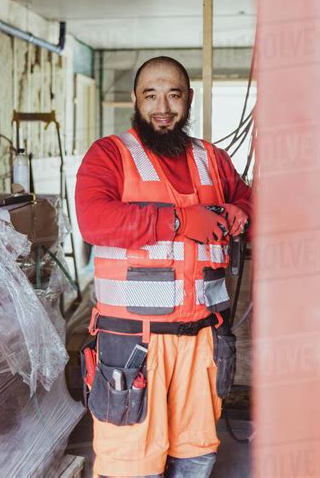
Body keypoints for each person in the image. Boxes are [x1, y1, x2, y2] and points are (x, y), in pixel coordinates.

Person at [75, 56, 252, 478]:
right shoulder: (110, 155)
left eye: (173, 95)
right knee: (131, 464)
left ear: (188, 99)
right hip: (135, 345)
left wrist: (239, 211)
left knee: (195, 456)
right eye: (151, 95)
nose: (163, 107)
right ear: (136, 100)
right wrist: (178, 220)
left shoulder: (212, 158)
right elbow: (94, 219)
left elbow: (253, 201)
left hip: (202, 342)